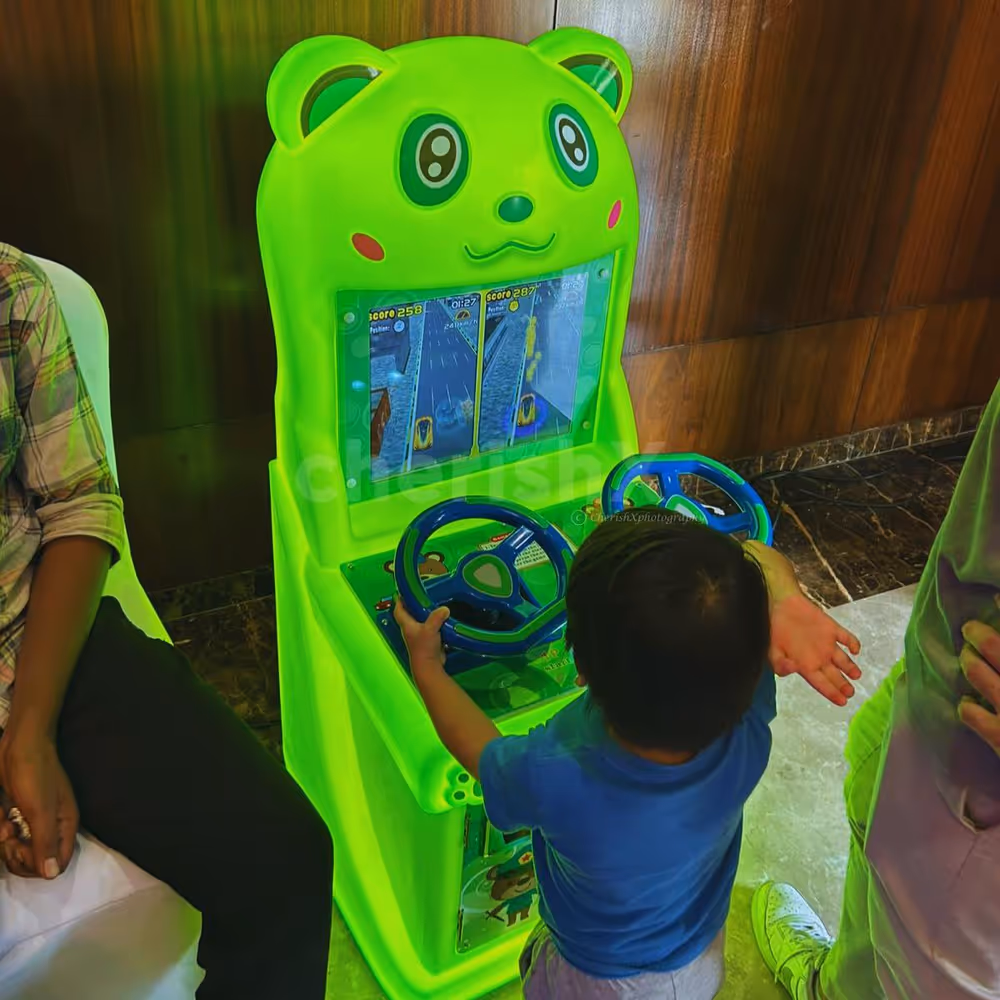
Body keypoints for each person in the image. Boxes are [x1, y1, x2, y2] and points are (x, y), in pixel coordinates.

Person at [0, 243, 333, 999]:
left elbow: (81, 501)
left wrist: (29, 732)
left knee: (285, 857)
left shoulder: (13, 290)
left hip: (36, 631)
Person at [394, 506, 862, 998]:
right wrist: (785, 598)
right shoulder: (747, 721)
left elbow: (482, 753)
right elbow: (757, 561)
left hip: (592, 980)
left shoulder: (557, 772)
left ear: (581, 667)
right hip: (696, 957)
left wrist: (427, 668)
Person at [752, 378, 1000, 1000]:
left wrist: (766, 581)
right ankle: (836, 987)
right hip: (943, 688)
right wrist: (776, 587)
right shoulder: (742, 739)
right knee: (876, 786)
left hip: (978, 808)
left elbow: (502, 770)